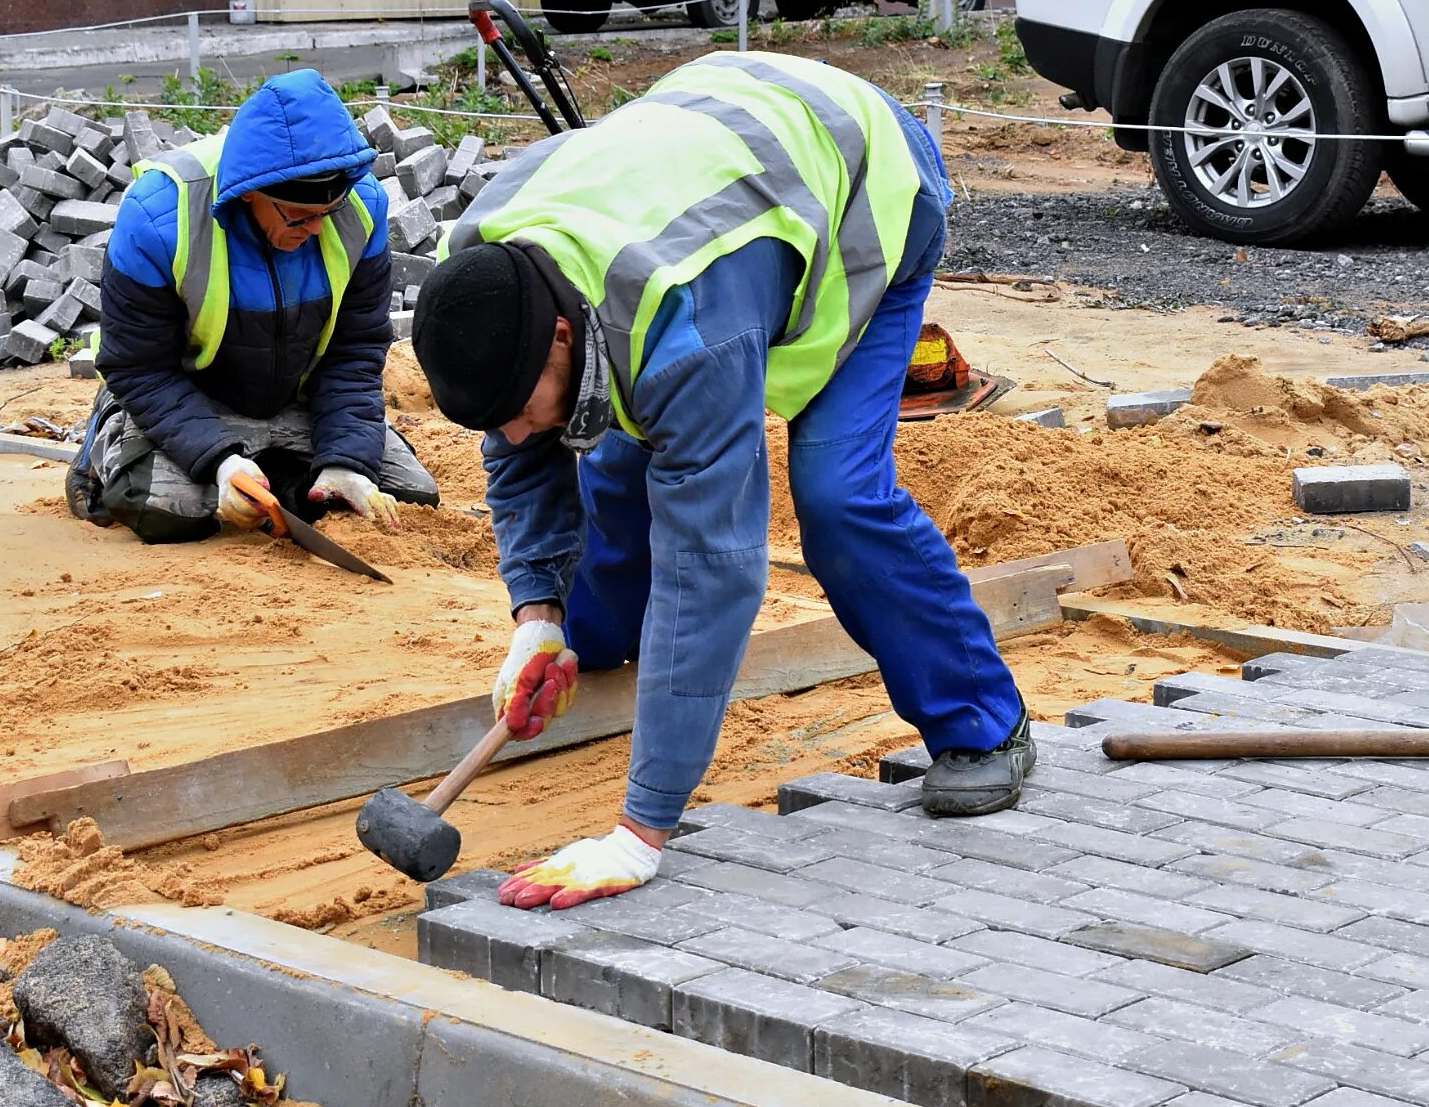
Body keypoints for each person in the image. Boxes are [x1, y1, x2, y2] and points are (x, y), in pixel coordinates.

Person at [410, 50, 1032, 911]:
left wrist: (641, 831)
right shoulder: (480, 270)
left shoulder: (687, 331)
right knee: (615, 448)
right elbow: (517, 445)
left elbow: (713, 575)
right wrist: (538, 618)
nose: (511, 432)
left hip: (868, 194)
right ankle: (594, 630)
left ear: (558, 337)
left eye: (518, 404)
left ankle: (984, 722)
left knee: (835, 493)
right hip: (732, 155)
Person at [67, 70, 439, 542]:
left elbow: (355, 353)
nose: (318, 230)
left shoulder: (360, 211)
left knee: (406, 500)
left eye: (329, 214)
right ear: (249, 193)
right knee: (164, 511)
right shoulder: (159, 216)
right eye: (300, 217)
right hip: (189, 395)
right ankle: (105, 442)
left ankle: (282, 472)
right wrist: (220, 463)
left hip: (295, 402)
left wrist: (345, 463)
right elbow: (140, 368)